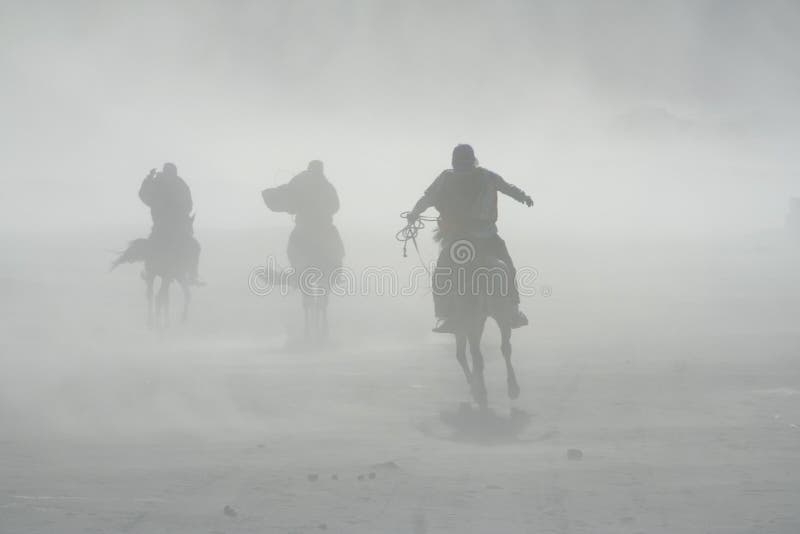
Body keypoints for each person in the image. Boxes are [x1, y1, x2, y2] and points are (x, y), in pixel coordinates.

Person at [406, 144, 533, 333]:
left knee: (442, 272)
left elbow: (427, 198)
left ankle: (446, 316)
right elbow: (508, 188)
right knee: (507, 266)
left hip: (460, 239)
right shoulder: (487, 176)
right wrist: (523, 196)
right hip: (486, 236)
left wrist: (414, 213)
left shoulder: (447, 178)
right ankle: (513, 312)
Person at [262, 160, 344, 273]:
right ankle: (333, 273)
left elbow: (288, 198)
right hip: (325, 227)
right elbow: (335, 206)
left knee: (294, 249)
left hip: (304, 227)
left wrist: (269, 195)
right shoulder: (327, 186)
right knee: (335, 249)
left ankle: (300, 273)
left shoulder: (300, 181)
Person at [138, 162, 202, 285]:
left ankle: (192, 275)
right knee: (193, 246)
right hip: (163, 224)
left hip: (174, 224)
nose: (170, 176)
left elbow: (189, 204)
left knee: (194, 247)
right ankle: (148, 270)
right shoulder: (158, 183)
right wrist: (148, 180)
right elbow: (144, 195)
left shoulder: (180, 185)